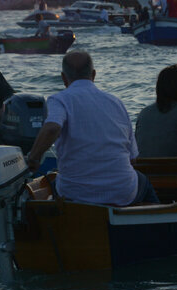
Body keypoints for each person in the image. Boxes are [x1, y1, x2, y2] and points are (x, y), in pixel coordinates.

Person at [24, 51, 157, 206]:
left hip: (75, 194)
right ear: (93, 74)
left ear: (63, 78)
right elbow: (132, 158)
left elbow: (52, 128)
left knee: (50, 187)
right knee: (143, 182)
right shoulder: (116, 103)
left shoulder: (59, 99)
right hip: (122, 193)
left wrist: (34, 158)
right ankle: (159, 221)